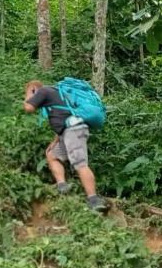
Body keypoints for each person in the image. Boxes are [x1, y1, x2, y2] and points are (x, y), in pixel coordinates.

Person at [23, 80, 107, 213]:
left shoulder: (44, 91)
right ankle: (62, 186)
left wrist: (29, 94)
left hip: (73, 131)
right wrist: (56, 140)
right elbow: (63, 115)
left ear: (35, 90)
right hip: (67, 132)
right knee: (52, 155)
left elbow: (29, 108)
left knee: (80, 163)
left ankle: (93, 200)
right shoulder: (55, 93)